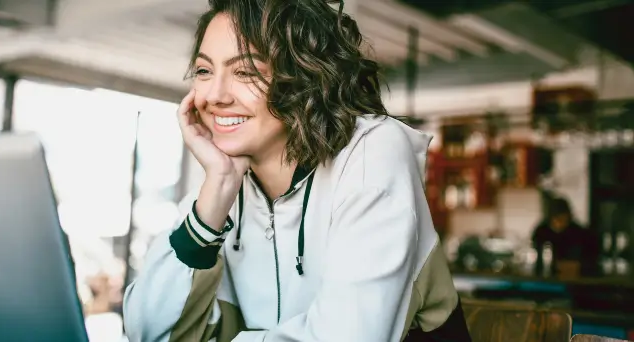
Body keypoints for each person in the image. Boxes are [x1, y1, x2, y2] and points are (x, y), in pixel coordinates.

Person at [123, 0, 471, 341]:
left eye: (245, 71)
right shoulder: (226, 183)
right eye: (204, 71)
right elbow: (148, 332)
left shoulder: (371, 152)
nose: (214, 95)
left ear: (303, 76)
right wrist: (219, 187)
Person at [532, 196, 600, 277]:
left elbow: (592, 259)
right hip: (545, 277)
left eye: (563, 219)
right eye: (557, 219)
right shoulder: (542, 232)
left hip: (575, 279)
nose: (560, 223)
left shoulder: (579, 233)